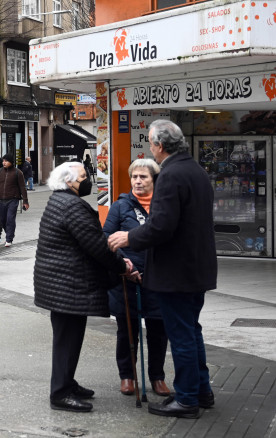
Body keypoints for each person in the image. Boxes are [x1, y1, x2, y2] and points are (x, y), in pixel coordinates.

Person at [108, 120, 216, 419]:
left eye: (152, 145)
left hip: (176, 272)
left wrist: (129, 237)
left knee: (181, 335)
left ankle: (187, 399)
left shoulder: (170, 175)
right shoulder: (196, 171)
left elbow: (162, 226)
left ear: (159, 145)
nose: (151, 150)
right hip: (197, 269)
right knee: (192, 332)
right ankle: (202, 391)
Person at [34, 161, 138, 413]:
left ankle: (67, 382)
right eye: (83, 176)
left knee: (70, 336)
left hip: (62, 283)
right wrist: (121, 267)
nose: (87, 179)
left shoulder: (60, 200)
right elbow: (97, 246)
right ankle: (60, 393)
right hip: (66, 284)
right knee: (67, 339)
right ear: (69, 182)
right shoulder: (72, 206)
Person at [104, 158, 170, 398]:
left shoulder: (164, 206)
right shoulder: (120, 206)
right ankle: (127, 376)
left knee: (158, 330)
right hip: (126, 279)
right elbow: (106, 237)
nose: (138, 181)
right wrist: (124, 264)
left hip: (159, 278)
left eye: (144, 177)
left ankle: (157, 377)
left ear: (154, 180)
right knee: (128, 331)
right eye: (135, 177)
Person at [0, 153, 29, 247]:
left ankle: (9, 238)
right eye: (3, 161)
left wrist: (25, 201)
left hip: (13, 199)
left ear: (11, 162)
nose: (4, 163)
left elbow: (22, 187)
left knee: (10, 219)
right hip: (1, 200)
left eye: (6, 161)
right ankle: (6, 235)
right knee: (2, 220)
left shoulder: (18, 172)